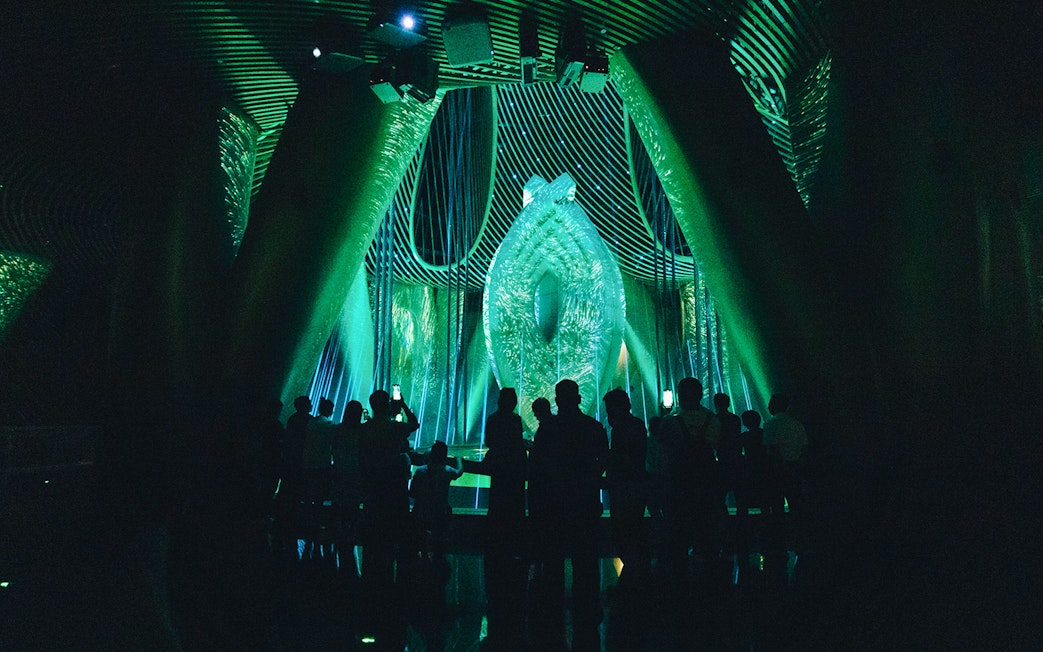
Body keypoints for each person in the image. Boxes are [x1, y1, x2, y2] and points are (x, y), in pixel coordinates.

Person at [529, 379, 609, 652]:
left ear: (557, 400)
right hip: (584, 504)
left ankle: (552, 614)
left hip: (554, 506)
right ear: (578, 398)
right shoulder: (593, 427)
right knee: (585, 562)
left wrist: (537, 506)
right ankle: (586, 611)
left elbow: (537, 470)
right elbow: (603, 462)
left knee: (553, 562)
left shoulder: (547, 429)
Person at [657, 377, 720, 578]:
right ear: (701, 395)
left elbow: (663, 454)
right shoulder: (713, 420)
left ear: (679, 395)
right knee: (706, 528)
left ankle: (680, 578)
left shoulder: (670, 422)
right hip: (706, 483)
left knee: (678, 531)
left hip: (679, 484)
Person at [603, 388, 649, 587]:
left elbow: (622, 458)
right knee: (633, 527)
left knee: (624, 527)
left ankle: (633, 572)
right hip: (634, 484)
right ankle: (637, 573)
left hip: (625, 486)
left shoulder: (622, 428)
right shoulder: (637, 425)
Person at [762, 393, 808, 541]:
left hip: (777, 470)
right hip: (796, 467)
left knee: (777, 504)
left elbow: (771, 450)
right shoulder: (797, 424)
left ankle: (780, 536)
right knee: (796, 502)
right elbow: (805, 448)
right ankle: (800, 534)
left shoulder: (770, 424)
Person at [409, 440, 464, 562]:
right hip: (440, 510)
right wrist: (459, 460)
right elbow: (459, 472)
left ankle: (423, 558)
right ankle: (437, 560)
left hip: (422, 511)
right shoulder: (447, 470)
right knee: (438, 535)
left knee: (422, 534)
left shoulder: (420, 471)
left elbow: (412, 492)